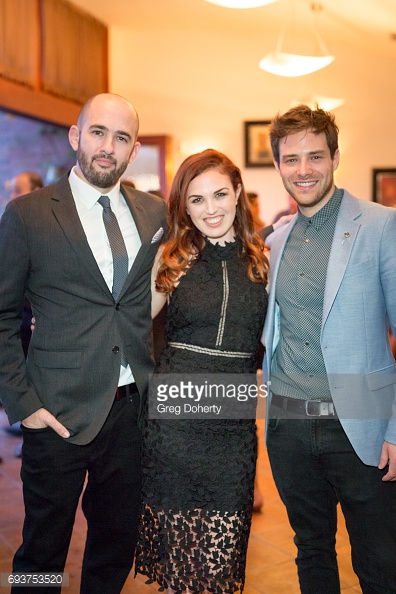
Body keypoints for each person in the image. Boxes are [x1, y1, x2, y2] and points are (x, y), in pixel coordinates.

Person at [0, 93, 167, 594]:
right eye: (97, 132)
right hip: (56, 412)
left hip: (131, 415)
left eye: (121, 138)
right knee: (42, 551)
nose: (107, 147)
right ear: (76, 136)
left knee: (115, 542)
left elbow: (165, 286)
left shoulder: (154, 212)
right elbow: (3, 314)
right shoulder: (26, 214)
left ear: (133, 150)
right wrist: (22, 403)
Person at [262, 104, 396, 593]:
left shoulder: (382, 225)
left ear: (335, 157)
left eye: (315, 156)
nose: (303, 170)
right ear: (278, 165)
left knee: (381, 563)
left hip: (361, 425)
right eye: (291, 159)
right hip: (290, 429)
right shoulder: (275, 240)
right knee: (311, 551)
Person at [134, 149, 269, 593]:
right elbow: (129, 322)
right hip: (176, 427)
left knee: (220, 558)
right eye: (196, 200)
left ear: (237, 194)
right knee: (181, 562)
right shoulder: (174, 257)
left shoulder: (263, 260)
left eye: (219, 195)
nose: (210, 209)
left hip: (232, 429)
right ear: (183, 206)